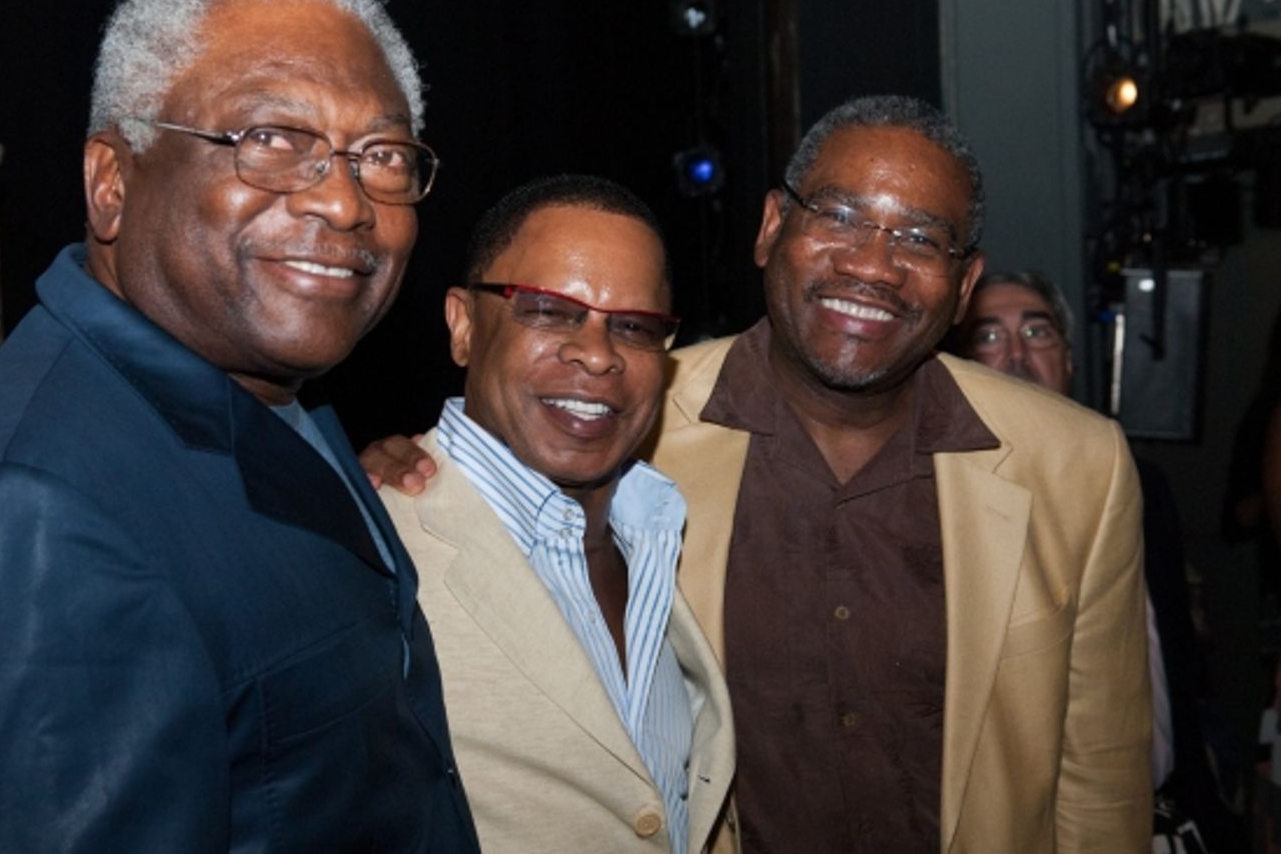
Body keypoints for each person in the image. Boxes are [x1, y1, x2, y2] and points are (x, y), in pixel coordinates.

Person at [366, 95, 1154, 852]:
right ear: (773, 227)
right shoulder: (629, 427)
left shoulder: (1075, 467)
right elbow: (485, 483)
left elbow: (1100, 785)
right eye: (841, 217)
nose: (874, 266)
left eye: (920, 238)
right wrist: (378, 469)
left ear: (964, 287)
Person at [0, 0, 479, 852]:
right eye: (272, 137)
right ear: (112, 182)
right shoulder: (27, 515)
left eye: (382, 156)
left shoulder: (271, 404)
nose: (344, 201)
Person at [377, 175, 735, 853]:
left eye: (633, 327)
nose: (597, 355)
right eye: (547, 310)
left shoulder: (659, 533)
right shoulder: (369, 549)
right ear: (462, 325)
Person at [957, 269, 1241, 852]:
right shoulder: (937, 511)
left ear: (1069, 360)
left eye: (1037, 333)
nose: (1016, 354)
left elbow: (1173, 666)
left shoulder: (1142, 484)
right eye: (988, 337)